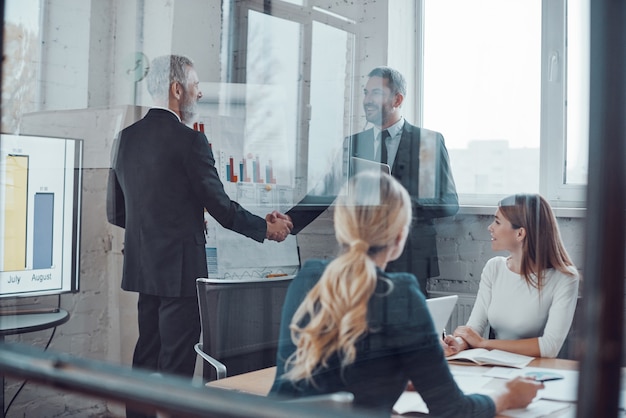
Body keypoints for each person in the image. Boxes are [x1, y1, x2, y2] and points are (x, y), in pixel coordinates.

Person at [106, 55, 292, 417]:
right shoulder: (191, 142)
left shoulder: (124, 138)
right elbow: (221, 207)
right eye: (195, 85)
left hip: (144, 268)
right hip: (180, 271)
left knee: (146, 357)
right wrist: (266, 229)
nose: (200, 92)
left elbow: (116, 212)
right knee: (175, 365)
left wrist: (165, 225)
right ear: (177, 89)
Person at [270, 172, 543, 417]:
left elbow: (336, 373)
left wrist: (405, 369)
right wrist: (507, 396)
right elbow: (452, 410)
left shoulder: (309, 277)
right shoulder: (399, 293)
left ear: (342, 226)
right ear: (400, 236)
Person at [275, 66, 458, 296]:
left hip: (411, 257)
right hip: (362, 254)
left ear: (397, 99)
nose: (367, 100)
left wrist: (398, 205)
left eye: (376, 93)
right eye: (365, 92)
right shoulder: (353, 144)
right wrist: (290, 219)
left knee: (404, 329)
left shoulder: (427, 142)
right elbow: (326, 190)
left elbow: (449, 203)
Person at [444, 194, 580, 358]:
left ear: (520, 233)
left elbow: (549, 347)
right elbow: (474, 327)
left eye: (497, 222)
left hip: (538, 371)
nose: (490, 227)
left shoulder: (565, 278)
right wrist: (458, 343)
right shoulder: (494, 267)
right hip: (498, 365)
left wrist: (484, 344)